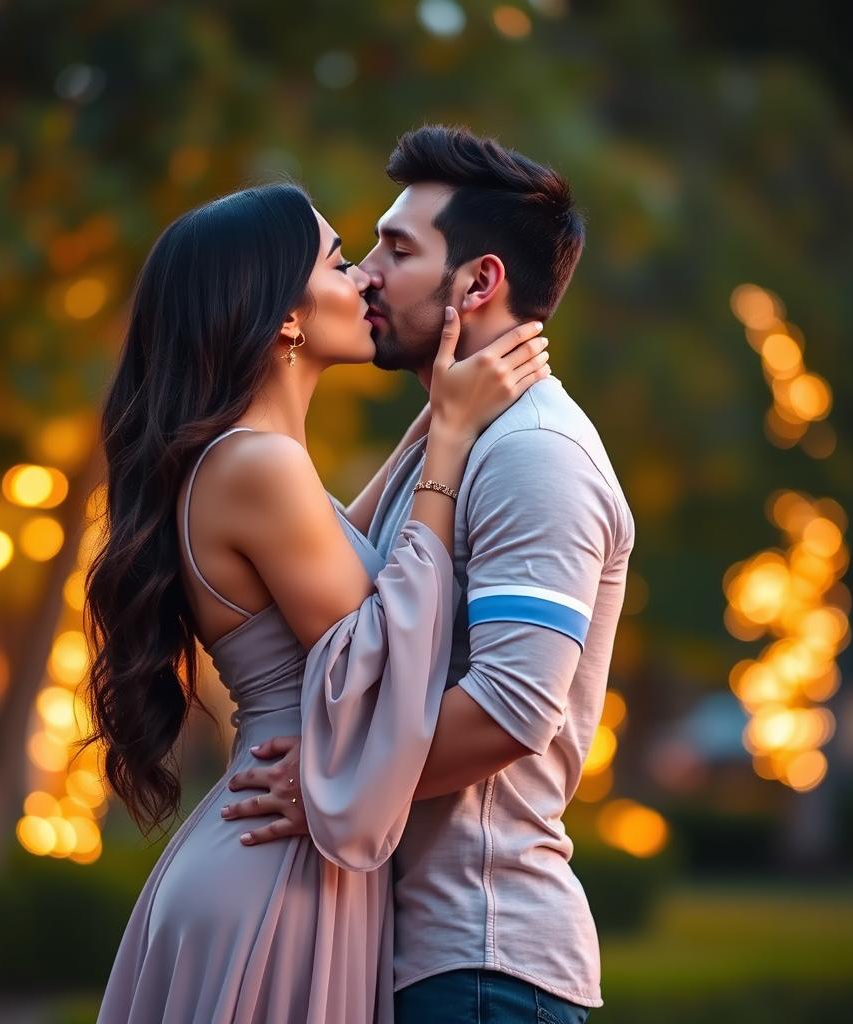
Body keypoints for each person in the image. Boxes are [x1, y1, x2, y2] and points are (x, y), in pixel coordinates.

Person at [84, 180, 551, 1023]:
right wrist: (447, 439)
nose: (367, 281)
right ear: (285, 317)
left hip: (274, 852)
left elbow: (357, 552)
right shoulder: (257, 466)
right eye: (341, 262)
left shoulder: (253, 462)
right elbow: (384, 648)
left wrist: (435, 414)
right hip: (279, 862)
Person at [224, 125, 636, 1023]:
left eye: (397, 249)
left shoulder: (536, 454)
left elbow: (514, 709)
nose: (367, 273)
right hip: (406, 952)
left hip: (482, 961)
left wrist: (331, 782)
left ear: (479, 282)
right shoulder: (455, 441)